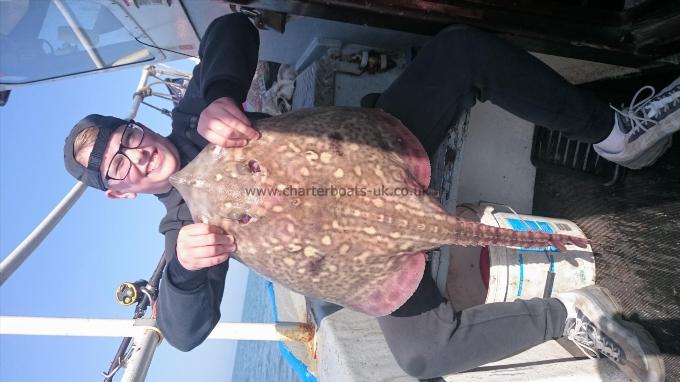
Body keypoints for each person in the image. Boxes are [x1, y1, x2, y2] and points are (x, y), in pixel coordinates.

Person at [62, 13, 675, 382]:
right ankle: (570, 315)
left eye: (128, 135)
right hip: (372, 252)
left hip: (380, 153)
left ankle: (616, 133)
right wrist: (189, 275)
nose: (135, 152)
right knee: (422, 356)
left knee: (461, 50)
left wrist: (222, 89)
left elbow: (230, 29)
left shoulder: (196, 113)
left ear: (137, 125)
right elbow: (184, 333)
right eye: (118, 163)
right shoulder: (184, 239)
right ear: (118, 191)